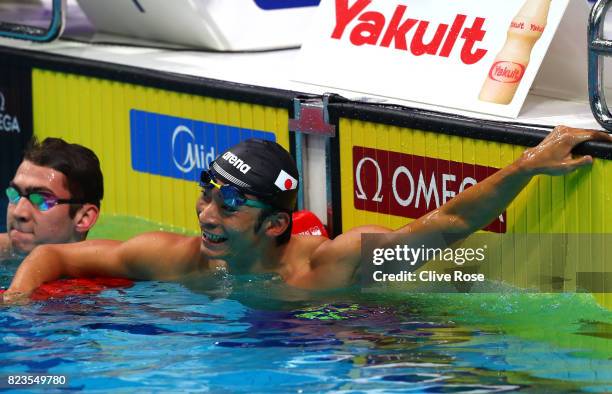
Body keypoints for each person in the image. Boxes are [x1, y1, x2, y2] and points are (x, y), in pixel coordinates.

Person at [4, 126, 612, 300]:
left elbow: (446, 228)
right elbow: (54, 254)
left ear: (274, 223)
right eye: (207, 191)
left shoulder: (332, 263)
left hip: (350, 336)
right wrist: (18, 299)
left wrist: (527, 165)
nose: (208, 212)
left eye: (231, 201)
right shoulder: (183, 260)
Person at [0, 137, 103, 260]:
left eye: (41, 200)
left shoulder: (103, 277)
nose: (18, 212)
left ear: (84, 218)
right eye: (15, 194)